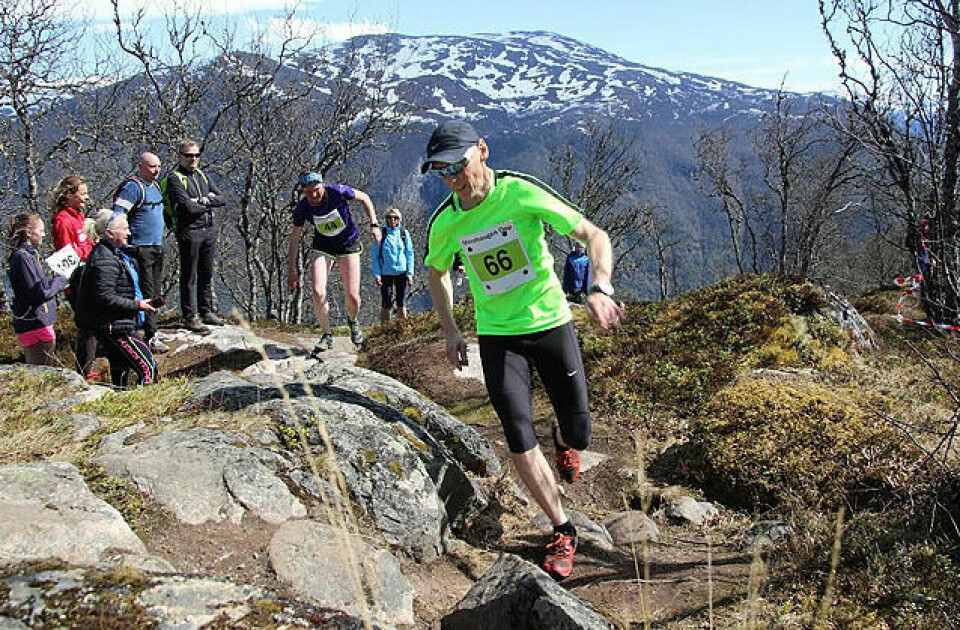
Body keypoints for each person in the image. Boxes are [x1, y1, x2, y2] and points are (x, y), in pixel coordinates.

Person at [421, 120, 624, 580]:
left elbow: (594, 234)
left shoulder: (520, 192)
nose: (452, 178)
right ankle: (563, 527)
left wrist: (600, 287)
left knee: (580, 432)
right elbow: (437, 272)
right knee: (518, 434)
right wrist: (451, 331)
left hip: (550, 322)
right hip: (498, 335)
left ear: (482, 150)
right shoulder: (446, 222)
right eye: (441, 171)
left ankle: (564, 443)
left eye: (457, 165)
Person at [286, 170, 381, 353]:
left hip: (348, 244)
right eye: (308, 192)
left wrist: (374, 224)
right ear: (303, 191)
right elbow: (295, 238)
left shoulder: (338, 192)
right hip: (323, 246)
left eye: (317, 189)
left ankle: (352, 321)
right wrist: (291, 271)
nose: (314, 195)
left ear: (323, 185)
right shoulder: (303, 207)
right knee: (317, 290)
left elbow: (365, 198)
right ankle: (326, 334)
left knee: (352, 296)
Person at [77, 209, 158, 388]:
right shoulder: (104, 259)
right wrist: (138, 305)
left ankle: (122, 399)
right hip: (115, 326)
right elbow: (105, 296)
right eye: (124, 229)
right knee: (148, 369)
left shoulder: (113, 254)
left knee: (120, 373)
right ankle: (147, 402)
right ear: (110, 233)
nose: (129, 233)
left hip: (117, 324)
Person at [164, 139, 225, 334]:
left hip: (208, 230)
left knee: (206, 273)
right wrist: (207, 201)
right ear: (180, 156)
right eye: (189, 155)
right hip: (189, 231)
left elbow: (221, 199)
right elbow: (187, 207)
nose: (193, 159)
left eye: (197, 155)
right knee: (189, 275)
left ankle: (206, 311)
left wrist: (200, 201)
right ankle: (190, 316)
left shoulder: (201, 175)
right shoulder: (175, 178)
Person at [112, 153, 169, 354]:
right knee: (146, 291)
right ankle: (149, 335)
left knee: (155, 291)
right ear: (140, 167)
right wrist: (124, 241)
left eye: (159, 166)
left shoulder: (156, 188)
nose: (156, 170)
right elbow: (118, 213)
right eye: (152, 166)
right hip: (139, 248)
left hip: (156, 246)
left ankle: (152, 329)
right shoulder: (134, 188)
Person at [50, 175, 100, 377]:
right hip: (76, 280)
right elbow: (66, 254)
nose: (87, 198)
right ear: (69, 195)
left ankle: (91, 366)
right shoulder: (63, 221)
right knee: (87, 325)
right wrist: (86, 252)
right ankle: (85, 372)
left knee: (95, 323)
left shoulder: (80, 217)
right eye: (83, 193)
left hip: (89, 275)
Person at [6, 213, 69, 366]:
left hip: (34, 321)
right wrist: (60, 280)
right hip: (36, 323)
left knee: (39, 367)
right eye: (41, 230)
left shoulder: (26, 256)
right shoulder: (23, 258)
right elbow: (39, 293)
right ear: (29, 232)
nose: (43, 234)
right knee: (43, 369)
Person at [371, 208, 414, 325]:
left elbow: (409, 253)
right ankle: (384, 329)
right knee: (386, 301)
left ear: (399, 219)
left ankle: (403, 327)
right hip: (386, 273)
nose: (392, 220)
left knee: (401, 301)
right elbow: (375, 256)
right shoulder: (381, 234)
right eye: (389, 217)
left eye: (395, 218)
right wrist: (377, 275)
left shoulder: (404, 233)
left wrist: (410, 274)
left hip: (402, 272)